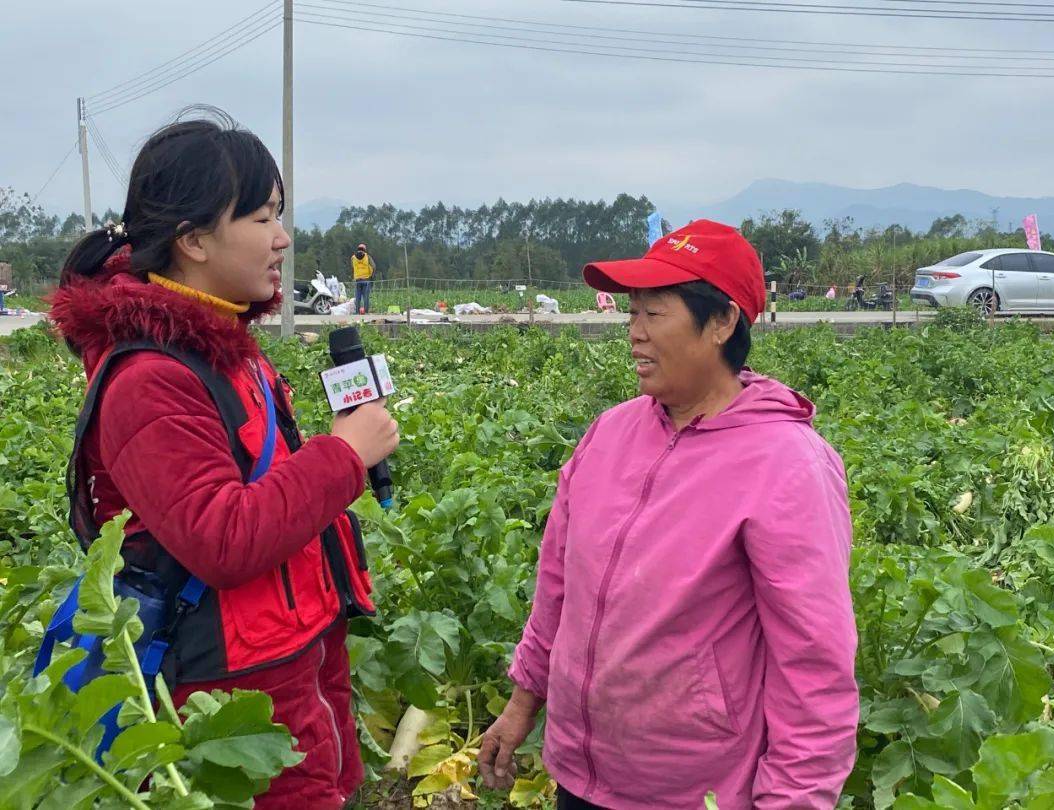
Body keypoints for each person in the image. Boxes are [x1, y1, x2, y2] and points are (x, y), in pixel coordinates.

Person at [48, 109, 400, 809]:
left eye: (279, 214)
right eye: (262, 217)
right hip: (226, 694)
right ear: (193, 240)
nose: (282, 238)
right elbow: (223, 538)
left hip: (290, 656)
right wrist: (343, 454)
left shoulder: (224, 348)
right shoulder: (150, 380)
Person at [479, 220, 859, 810]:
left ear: (723, 322)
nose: (635, 333)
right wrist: (523, 702)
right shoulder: (609, 434)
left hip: (691, 791)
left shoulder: (787, 466)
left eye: (654, 313)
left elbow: (813, 667)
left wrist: (793, 800)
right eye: (632, 313)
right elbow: (558, 586)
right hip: (579, 777)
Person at [351, 243, 375, 314]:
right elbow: (374, 266)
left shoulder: (353, 258)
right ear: (364, 250)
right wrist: (372, 275)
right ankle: (366, 312)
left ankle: (357, 312)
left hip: (357, 280)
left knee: (357, 297)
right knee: (366, 297)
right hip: (366, 279)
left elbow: (352, 266)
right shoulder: (367, 257)